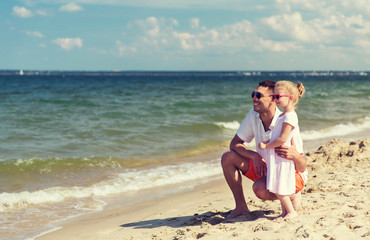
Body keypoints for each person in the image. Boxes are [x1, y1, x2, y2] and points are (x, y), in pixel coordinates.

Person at [221, 80, 307, 220]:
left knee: (259, 189)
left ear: (273, 99)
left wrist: (296, 156)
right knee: (228, 157)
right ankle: (241, 207)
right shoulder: (253, 115)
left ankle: (292, 194)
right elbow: (235, 144)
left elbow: (302, 167)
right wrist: (253, 155)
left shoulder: (286, 121)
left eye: (259, 95)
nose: (254, 98)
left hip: (289, 175)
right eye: (253, 94)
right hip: (265, 168)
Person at [258, 81, 306, 219]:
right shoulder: (282, 115)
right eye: (273, 96)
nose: (275, 99)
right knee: (276, 185)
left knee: (280, 188)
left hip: (282, 158)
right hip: (276, 157)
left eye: (278, 96)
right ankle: (284, 212)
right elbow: (275, 136)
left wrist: (266, 146)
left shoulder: (290, 116)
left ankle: (291, 212)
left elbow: (282, 138)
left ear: (290, 98)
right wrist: (267, 142)